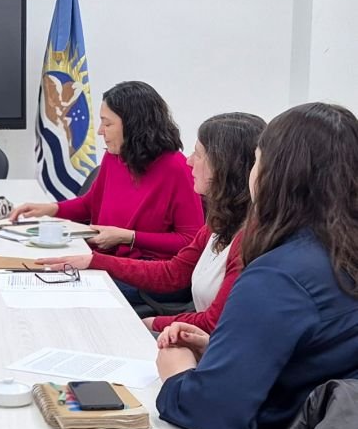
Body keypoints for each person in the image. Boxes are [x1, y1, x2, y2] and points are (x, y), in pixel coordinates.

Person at [120, 102, 358, 429]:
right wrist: (221, 349)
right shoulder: (340, 256)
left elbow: (215, 412)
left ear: (275, 174)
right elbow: (317, 361)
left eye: (259, 160)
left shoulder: (281, 273)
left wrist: (178, 370)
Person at [35, 112, 264, 334]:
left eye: (198, 154)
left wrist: (152, 323)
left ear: (225, 166)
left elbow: (213, 322)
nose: (190, 162)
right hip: (192, 331)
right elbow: (173, 272)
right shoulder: (218, 223)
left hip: (203, 341)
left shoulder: (247, 238)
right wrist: (94, 261)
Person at [10, 81, 204, 261]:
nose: (100, 131)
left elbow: (190, 240)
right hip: (106, 260)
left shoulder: (176, 168)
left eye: (108, 123)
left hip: (147, 271)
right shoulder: (115, 156)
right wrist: (52, 209)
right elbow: (91, 204)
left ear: (134, 126)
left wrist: (130, 238)